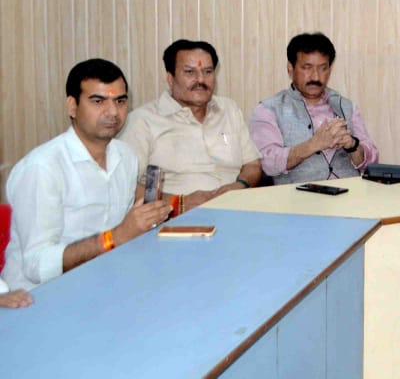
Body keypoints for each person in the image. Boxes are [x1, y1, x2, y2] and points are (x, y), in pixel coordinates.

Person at [4, 59, 171, 291]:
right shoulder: (42, 168)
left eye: (120, 101)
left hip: (107, 280)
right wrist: (115, 237)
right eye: (98, 101)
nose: (113, 112)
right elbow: (37, 265)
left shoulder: (125, 156)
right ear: (72, 106)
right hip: (41, 296)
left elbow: (125, 233)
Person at [119, 40, 261, 213]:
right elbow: (124, 184)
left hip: (236, 211)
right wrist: (179, 203)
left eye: (207, 72)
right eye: (189, 72)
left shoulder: (229, 109)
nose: (200, 80)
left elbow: (253, 164)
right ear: (170, 78)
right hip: (174, 217)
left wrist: (241, 184)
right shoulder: (143, 121)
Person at [250, 33, 379, 184]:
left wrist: (353, 146)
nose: (315, 77)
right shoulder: (268, 110)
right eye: (307, 68)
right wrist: (313, 145)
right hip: (297, 194)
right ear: (290, 68)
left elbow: (373, 163)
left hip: (350, 192)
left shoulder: (347, 106)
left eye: (323, 68)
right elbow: (266, 163)